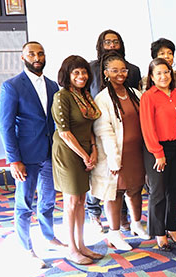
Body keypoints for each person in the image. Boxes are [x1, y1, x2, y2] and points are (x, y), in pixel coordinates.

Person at [0, 41, 65, 268]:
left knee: (48, 200)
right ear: (22, 57)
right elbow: (5, 126)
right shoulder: (12, 86)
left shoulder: (52, 85)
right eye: (31, 54)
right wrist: (13, 160)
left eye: (40, 53)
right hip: (25, 157)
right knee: (24, 203)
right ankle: (26, 248)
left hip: (49, 154)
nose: (37, 57)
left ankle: (48, 235)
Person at [90, 52, 150, 251]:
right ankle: (114, 233)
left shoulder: (134, 93)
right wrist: (114, 160)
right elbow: (104, 131)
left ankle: (136, 224)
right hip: (116, 153)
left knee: (135, 189)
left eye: (123, 70)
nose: (120, 74)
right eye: (114, 70)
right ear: (106, 73)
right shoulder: (103, 98)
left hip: (136, 152)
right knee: (114, 193)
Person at [87, 29, 142, 232]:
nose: (111, 45)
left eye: (115, 42)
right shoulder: (90, 69)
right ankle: (95, 214)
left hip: (128, 137)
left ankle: (126, 218)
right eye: (107, 42)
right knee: (104, 183)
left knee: (129, 183)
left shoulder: (133, 70)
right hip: (99, 131)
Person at [51, 55, 104, 264]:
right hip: (67, 153)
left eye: (84, 72)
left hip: (84, 151)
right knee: (71, 202)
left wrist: (93, 150)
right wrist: (85, 156)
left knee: (82, 200)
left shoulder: (85, 95)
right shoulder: (62, 96)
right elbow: (64, 132)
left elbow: (89, 125)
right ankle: (71, 249)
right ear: (68, 75)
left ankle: (82, 245)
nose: (81, 76)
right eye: (76, 73)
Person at [140, 58, 176, 251]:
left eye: (166, 72)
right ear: (151, 77)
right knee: (158, 192)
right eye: (158, 73)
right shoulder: (149, 96)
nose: (163, 76)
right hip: (156, 148)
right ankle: (159, 232)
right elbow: (147, 127)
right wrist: (158, 153)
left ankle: (172, 227)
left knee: (175, 189)